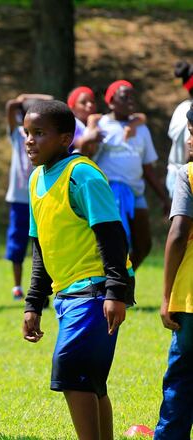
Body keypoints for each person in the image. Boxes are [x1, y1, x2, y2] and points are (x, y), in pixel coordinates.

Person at [21, 100, 134, 440]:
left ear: (65, 138)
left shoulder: (82, 174)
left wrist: (115, 292)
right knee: (91, 380)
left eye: (39, 133)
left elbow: (112, 235)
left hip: (96, 291)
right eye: (27, 133)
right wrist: (33, 303)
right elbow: (41, 249)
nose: (30, 140)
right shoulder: (36, 180)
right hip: (67, 294)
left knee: (71, 371)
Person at [90, 80, 169, 269]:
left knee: (143, 245)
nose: (131, 101)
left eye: (133, 96)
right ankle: (111, 280)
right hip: (110, 194)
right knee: (115, 245)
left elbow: (147, 168)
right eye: (125, 97)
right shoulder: (102, 126)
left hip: (135, 193)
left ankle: (123, 278)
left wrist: (165, 198)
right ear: (111, 102)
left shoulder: (141, 129)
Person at [154, 103, 193, 439]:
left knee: (181, 377)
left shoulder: (188, 173)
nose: (189, 141)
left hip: (190, 298)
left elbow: (178, 234)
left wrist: (166, 295)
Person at [4, 93, 51, 300]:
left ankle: (43, 287)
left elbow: (51, 99)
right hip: (19, 199)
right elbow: (10, 106)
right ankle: (17, 286)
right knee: (17, 243)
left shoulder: (43, 136)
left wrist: (33, 102)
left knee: (42, 242)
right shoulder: (17, 134)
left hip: (40, 196)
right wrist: (23, 98)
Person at [166, 61, 193, 195]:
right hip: (187, 177)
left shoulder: (181, 107)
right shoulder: (190, 111)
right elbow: (189, 153)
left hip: (173, 174)